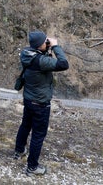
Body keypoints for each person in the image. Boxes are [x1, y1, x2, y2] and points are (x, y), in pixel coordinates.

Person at [13, 30, 69, 176]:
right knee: (38, 135)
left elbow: (40, 54)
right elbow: (63, 64)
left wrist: (46, 48)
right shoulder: (41, 61)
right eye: (45, 41)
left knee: (25, 125)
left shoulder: (27, 53)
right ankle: (32, 167)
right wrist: (56, 47)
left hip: (29, 99)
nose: (47, 42)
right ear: (39, 45)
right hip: (41, 103)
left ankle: (19, 150)